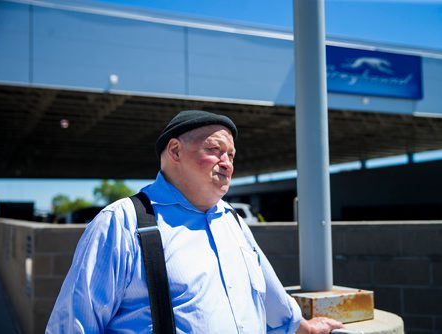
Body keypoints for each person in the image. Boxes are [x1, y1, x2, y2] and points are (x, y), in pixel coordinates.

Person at [46, 110, 344, 333]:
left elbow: (268, 293)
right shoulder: (122, 222)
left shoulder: (233, 221)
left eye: (230, 154)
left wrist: (303, 327)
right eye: (214, 151)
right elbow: (73, 325)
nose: (227, 162)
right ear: (175, 151)